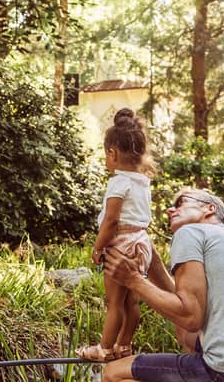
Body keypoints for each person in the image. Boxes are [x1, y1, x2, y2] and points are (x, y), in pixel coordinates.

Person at [100, 188, 224, 382]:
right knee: (189, 337)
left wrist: (133, 279)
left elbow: (189, 316)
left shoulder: (190, 232)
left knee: (113, 373)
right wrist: (152, 260)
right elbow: (188, 311)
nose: (171, 210)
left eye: (181, 203)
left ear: (209, 209)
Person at [76, 108, 155, 362]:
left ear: (112, 152)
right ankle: (124, 346)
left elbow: (110, 222)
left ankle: (105, 348)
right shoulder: (143, 182)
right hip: (140, 242)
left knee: (114, 303)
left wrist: (98, 248)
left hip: (120, 243)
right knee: (131, 301)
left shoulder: (118, 182)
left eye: (105, 155)